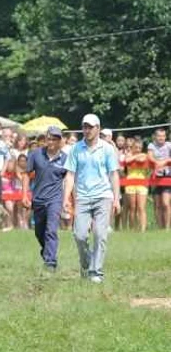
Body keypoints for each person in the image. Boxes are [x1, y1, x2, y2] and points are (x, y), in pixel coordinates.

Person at [63, 114, 120, 283]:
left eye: (90, 127)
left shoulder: (107, 149)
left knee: (100, 234)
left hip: (103, 196)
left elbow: (114, 174)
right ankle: (86, 261)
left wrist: (116, 198)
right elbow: (70, 175)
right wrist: (66, 198)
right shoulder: (76, 149)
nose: (87, 130)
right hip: (82, 197)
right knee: (79, 235)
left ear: (98, 128)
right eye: (84, 127)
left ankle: (96, 272)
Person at [22, 126, 67, 272]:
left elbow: (70, 180)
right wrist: (24, 195)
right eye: (50, 138)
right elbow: (26, 175)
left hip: (55, 199)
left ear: (60, 141)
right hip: (38, 199)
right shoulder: (36, 154)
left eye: (55, 139)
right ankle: (46, 251)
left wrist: (69, 200)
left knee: (51, 230)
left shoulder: (65, 158)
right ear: (46, 139)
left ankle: (50, 262)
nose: (52, 141)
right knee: (39, 231)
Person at [123, 138, 149, 232]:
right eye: (136, 147)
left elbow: (143, 159)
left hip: (142, 183)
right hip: (130, 183)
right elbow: (127, 161)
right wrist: (135, 157)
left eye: (140, 148)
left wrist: (137, 156)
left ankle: (142, 229)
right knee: (132, 207)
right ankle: (133, 228)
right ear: (132, 147)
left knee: (141, 207)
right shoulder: (129, 155)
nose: (138, 149)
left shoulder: (144, 155)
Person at [147, 128, 171, 230]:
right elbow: (150, 157)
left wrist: (165, 162)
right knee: (157, 205)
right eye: (159, 136)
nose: (161, 138)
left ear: (165, 137)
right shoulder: (151, 145)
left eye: (163, 136)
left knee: (165, 203)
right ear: (155, 137)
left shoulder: (169, 145)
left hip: (167, 176)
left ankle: (167, 227)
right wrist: (157, 162)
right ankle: (160, 227)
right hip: (155, 177)